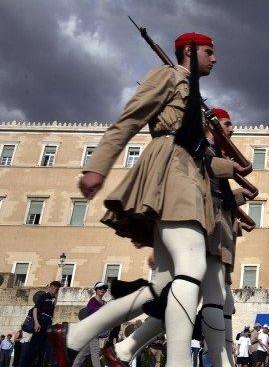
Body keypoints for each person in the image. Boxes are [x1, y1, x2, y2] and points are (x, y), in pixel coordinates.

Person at [49, 32, 251, 367]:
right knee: (192, 267)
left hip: (190, 180)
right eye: (208, 52)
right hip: (173, 177)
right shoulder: (167, 76)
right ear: (189, 51)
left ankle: (77, 336)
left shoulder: (195, 96)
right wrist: (97, 167)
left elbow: (201, 156)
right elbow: (129, 120)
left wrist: (234, 167)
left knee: (164, 286)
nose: (214, 58)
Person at [19, 280, 61, 367]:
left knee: (42, 347)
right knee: (34, 346)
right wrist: (37, 323)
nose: (54, 290)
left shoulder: (53, 300)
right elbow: (35, 309)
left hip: (48, 323)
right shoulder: (44, 296)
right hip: (41, 322)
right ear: (49, 288)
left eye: (56, 289)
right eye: (53, 288)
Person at [71, 282, 109, 367]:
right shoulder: (92, 301)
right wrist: (103, 309)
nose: (102, 290)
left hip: (98, 331)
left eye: (104, 288)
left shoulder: (104, 303)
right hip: (92, 330)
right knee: (95, 351)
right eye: (100, 288)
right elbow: (91, 312)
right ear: (96, 290)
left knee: (83, 353)